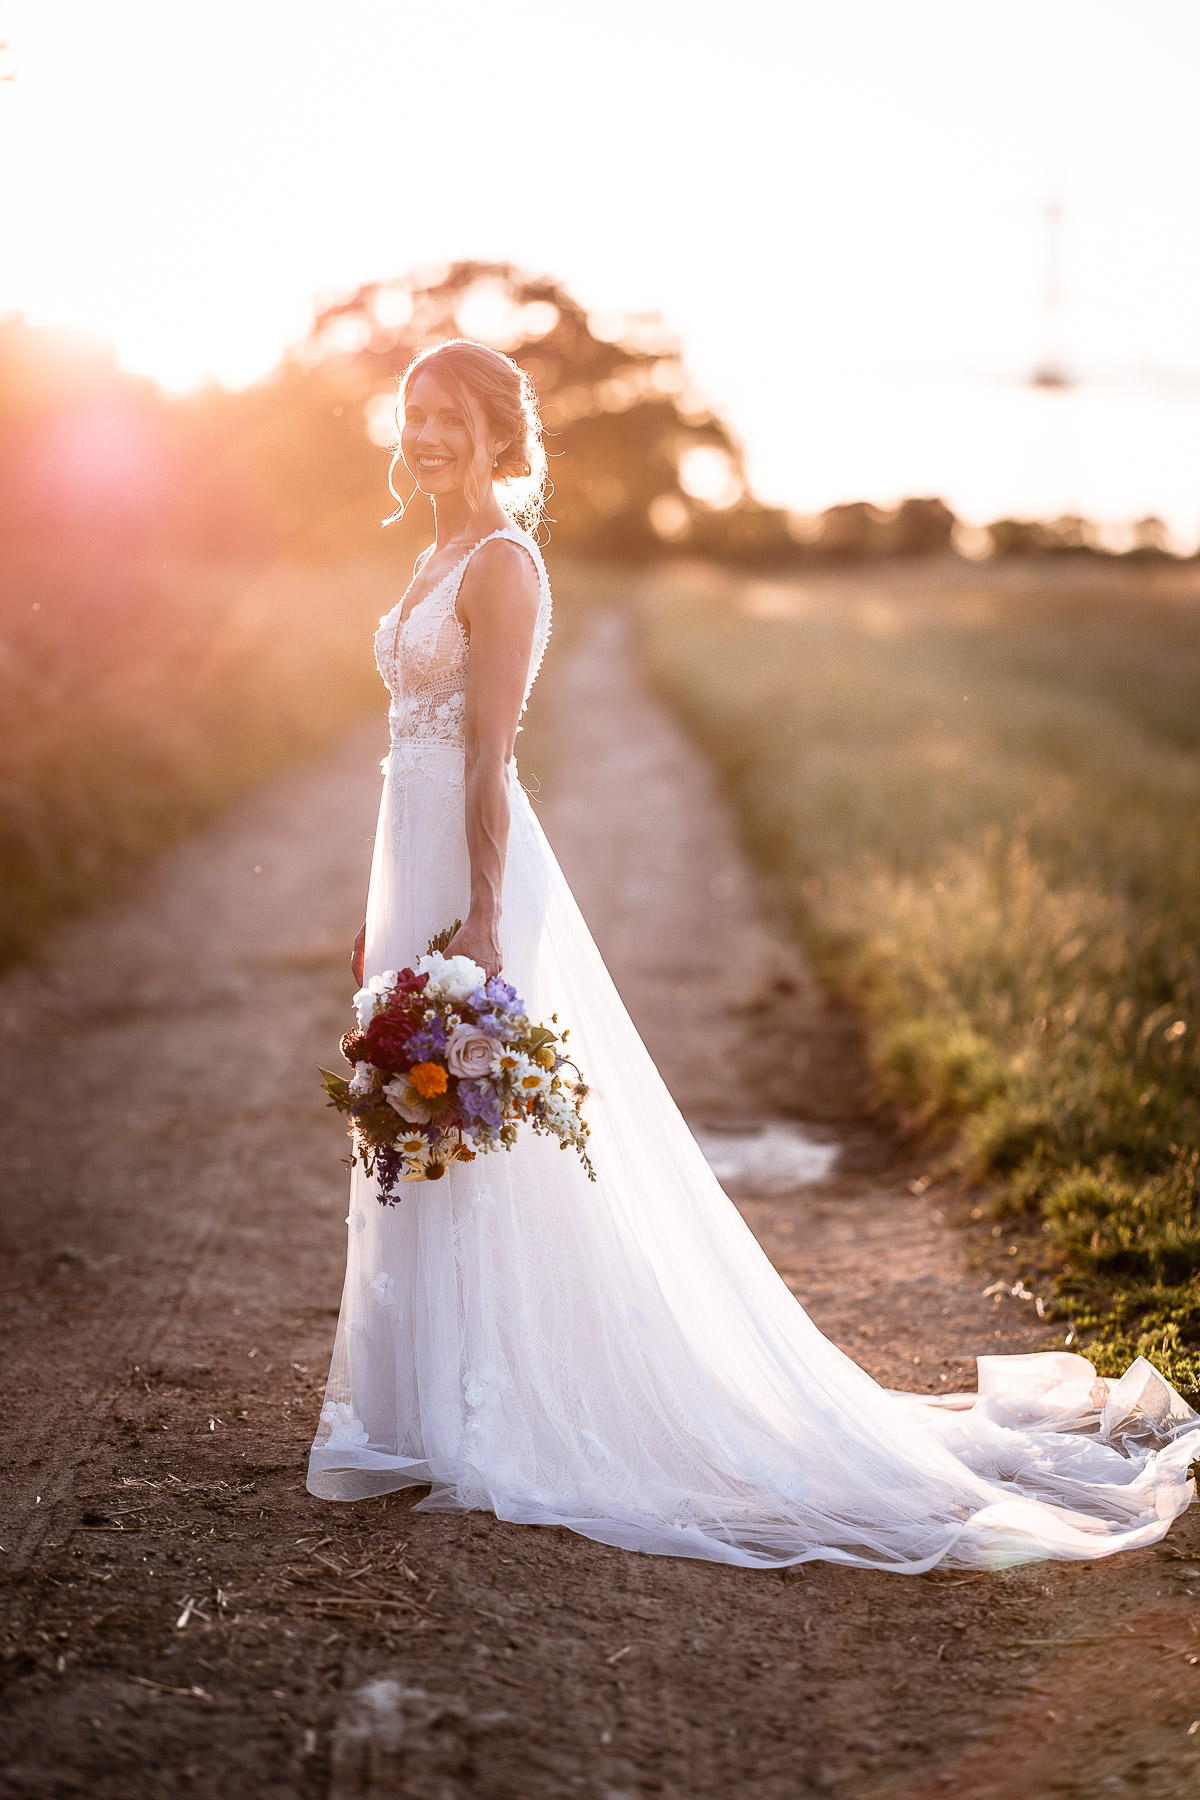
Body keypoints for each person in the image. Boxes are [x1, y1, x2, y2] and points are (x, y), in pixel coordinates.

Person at [308, 338, 1199, 1571]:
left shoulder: (503, 565)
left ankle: (497, 1409)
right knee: (419, 1124)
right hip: (408, 868)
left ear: (500, 436)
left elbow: (487, 759)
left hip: (473, 876)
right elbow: (406, 741)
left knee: (483, 1127)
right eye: (414, 413)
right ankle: (422, 1405)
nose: (427, 433)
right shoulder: (427, 556)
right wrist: (380, 909)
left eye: (452, 415)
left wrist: (487, 916)